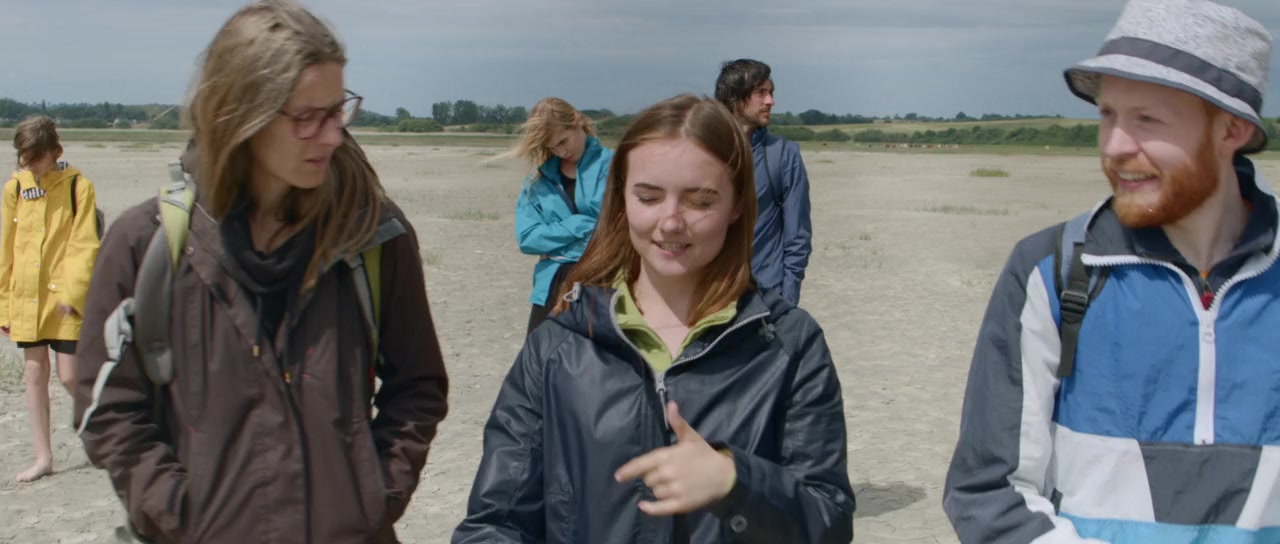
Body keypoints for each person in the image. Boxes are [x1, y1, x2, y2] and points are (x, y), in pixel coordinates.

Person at [73, 1, 449, 541]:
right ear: (239, 114)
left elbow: (417, 386)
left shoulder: (373, 236)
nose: (333, 136)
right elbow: (107, 407)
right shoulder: (144, 244)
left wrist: (374, 495)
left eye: (338, 110)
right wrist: (181, 514)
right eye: (307, 117)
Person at [944, 1, 1277, 542]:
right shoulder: (1052, 271)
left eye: (1147, 119)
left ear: (1231, 130)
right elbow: (989, 492)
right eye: (1107, 115)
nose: (1115, 146)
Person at [453, 94, 854, 543]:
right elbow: (495, 523)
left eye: (700, 201)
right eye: (648, 197)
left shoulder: (788, 345)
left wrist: (736, 483)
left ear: (737, 205)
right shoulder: (558, 346)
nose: (670, 222)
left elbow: (829, 522)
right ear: (621, 198)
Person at [1, 115, 100, 482]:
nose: (28, 165)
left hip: (66, 300)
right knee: (33, 373)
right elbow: (6, 248)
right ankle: (44, 457)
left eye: (34, 158)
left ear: (53, 152)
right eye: (23, 158)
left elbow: (85, 245)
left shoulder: (78, 187)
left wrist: (73, 293)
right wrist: (4, 303)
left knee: (70, 376)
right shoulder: (15, 188)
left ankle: (109, 435)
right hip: (26, 297)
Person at [507, 97, 614, 334]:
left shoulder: (617, 166)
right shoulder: (536, 182)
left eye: (563, 141)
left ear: (579, 122)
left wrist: (556, 248)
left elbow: (620, 230)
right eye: (552, 147)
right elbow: (528, 239)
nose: (561, 151)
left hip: (606, 280)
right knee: (540, 355)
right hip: (551, 285)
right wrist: (581, 224)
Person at [714, 59, 812, 305]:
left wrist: (786, 300)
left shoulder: (784, 154)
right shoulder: (705, 152)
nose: (770, 101)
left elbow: (798, 236)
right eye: (761, 93)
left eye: (771, 93)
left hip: (766, 295)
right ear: (734, 99)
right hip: (711, 294)